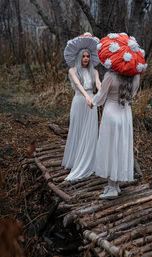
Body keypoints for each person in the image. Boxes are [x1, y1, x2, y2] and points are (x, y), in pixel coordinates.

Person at [91, 32, 147, 199]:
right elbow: (132, 96)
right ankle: (115, 185)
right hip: (125, 114)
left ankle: (112, 187)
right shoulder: (136, 77)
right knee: (120, 148)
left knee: (110, 149)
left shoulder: (110, 76)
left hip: (110, 114)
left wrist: (93, 98)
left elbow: (100, 99)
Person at [62, 33, 101, 181]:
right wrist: (86, 96)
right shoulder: (72, 70)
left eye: (88, 56)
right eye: (84, 56)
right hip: (80, 101)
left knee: (90, 131)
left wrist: (102, 92)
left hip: (92, 103)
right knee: (78, 128)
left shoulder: (95, 71)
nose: (86, 58)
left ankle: (88, 161)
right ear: (79, 57)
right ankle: (75, 161)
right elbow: (78, 85)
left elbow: (98, 84)